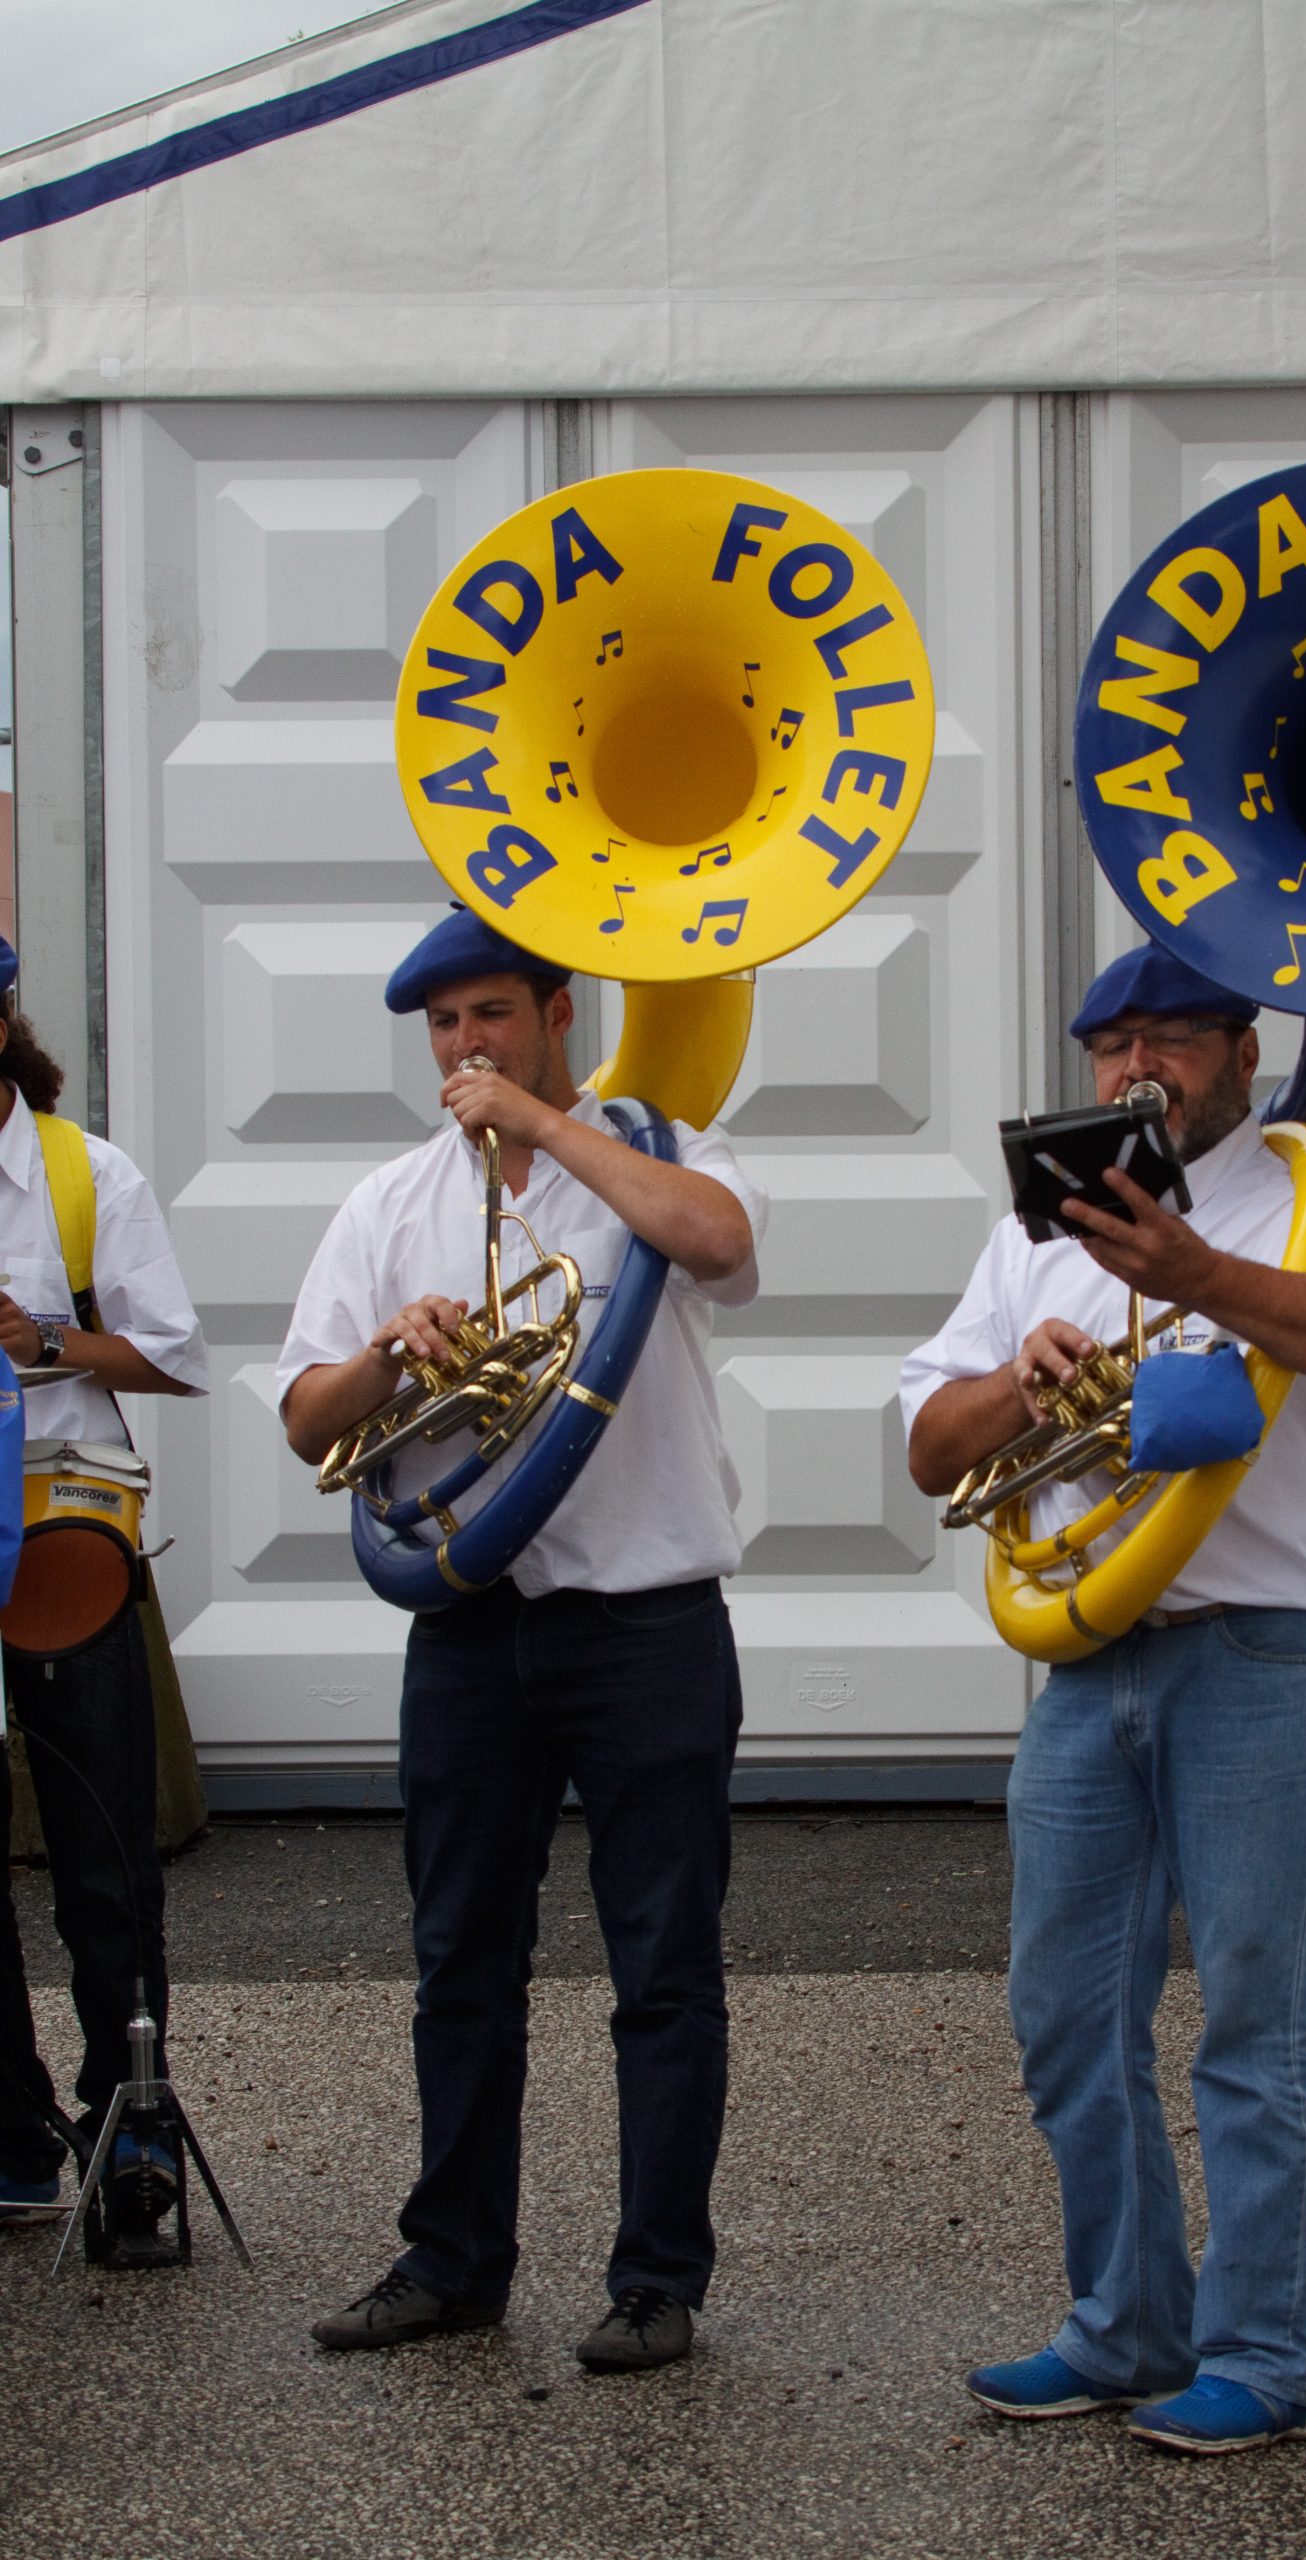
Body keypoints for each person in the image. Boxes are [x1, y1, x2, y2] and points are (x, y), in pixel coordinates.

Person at [901, 944, 1306, 2456]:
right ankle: (1126, 2324)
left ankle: (1274, 2356)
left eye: (1176, 1039)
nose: (1142, 1066)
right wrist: (1026, 1379)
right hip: (1084, 1658)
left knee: (1257, 2018)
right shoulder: (1041, 1235)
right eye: (1115, 1042)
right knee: (1067, 2009)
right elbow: (935, 1446)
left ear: (1243, 1052)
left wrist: (1197, 1280)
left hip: (1262, 1651)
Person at [280, 905, 765, 2369]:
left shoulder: (661, 1152)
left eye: (490, 1017)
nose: (463, 1050)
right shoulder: (390, 1204)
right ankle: (453, 2260)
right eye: (443, 1028)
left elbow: (722, 1248)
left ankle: (656, 2280)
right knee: (460, 1958)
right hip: (472, 1629)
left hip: (647, 1621)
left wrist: (550, 1134)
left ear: (559, 1015)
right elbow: (307, 1415)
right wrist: (390, 1357)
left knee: (663, 1962)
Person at [0, 945, 209, 2246]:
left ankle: (131, 2122)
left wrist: (37, 1341)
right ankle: (14, 2134)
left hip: (65, 1541)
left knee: (106, 1859)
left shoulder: (86, 1174)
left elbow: (172, 1355)